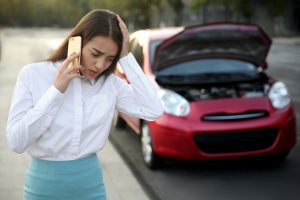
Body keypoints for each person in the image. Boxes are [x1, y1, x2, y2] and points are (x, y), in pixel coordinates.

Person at [6, 9, 163, 200]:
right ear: (77, 42)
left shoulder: (110, 84)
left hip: (91, 187)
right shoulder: (32, 75)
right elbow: (16, 141)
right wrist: (56, 91)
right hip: (43, 187)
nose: (100, 65)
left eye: (109, 59)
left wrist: (125, 57)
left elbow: (153, 109)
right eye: (95, 53)